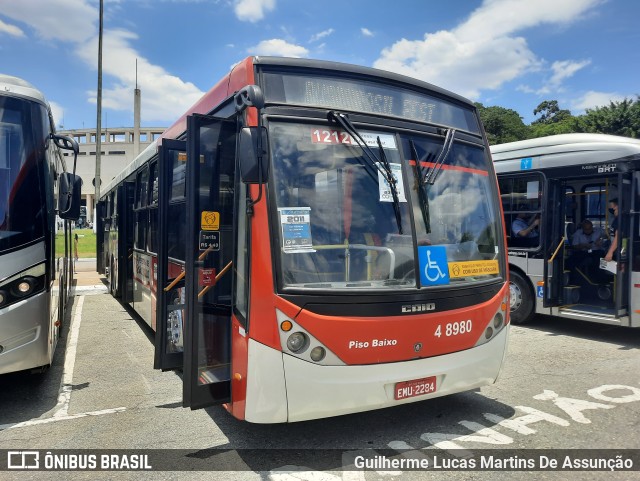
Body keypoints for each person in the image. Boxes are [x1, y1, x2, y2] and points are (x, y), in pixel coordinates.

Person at [604, 198, 619, 262]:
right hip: (615, 251)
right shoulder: (616, 219)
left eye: (613, 207)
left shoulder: (621, 219)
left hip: (618, 252)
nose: (612, 209)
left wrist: (610, 252)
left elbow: (618, 236)